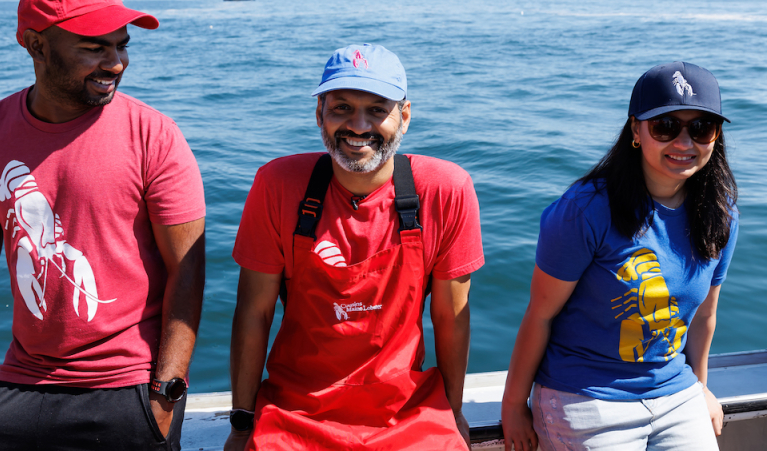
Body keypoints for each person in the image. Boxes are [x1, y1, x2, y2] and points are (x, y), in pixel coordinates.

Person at [0, 0, 206, 450]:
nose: (115, 63)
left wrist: (166, 393)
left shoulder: (154, 135)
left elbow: (188, 268)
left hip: (129, 383)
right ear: (36, 45)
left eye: (122, 46)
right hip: (24, 374)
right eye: (95, 47)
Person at [225, 44, 484, 450]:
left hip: (408, 410)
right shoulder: (277, 184)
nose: (358, 126)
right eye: (342, 108)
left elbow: (451, 316)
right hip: (295, 410)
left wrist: (452, 412)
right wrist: (242, 423)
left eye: (378, 109)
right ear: (319, 115)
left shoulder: (445, 189)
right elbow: (253, 312)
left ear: (405, 117)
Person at [501, 62, 738, 451]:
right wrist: (513, 406)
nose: (684, 143)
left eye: (701, 128)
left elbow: (704, 318)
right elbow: (540, 315)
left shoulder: (720, 215)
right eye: (665, 126)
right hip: (584, 394)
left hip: (674, 391)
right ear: (635, 130)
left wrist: (701, 388)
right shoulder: (585, 210)